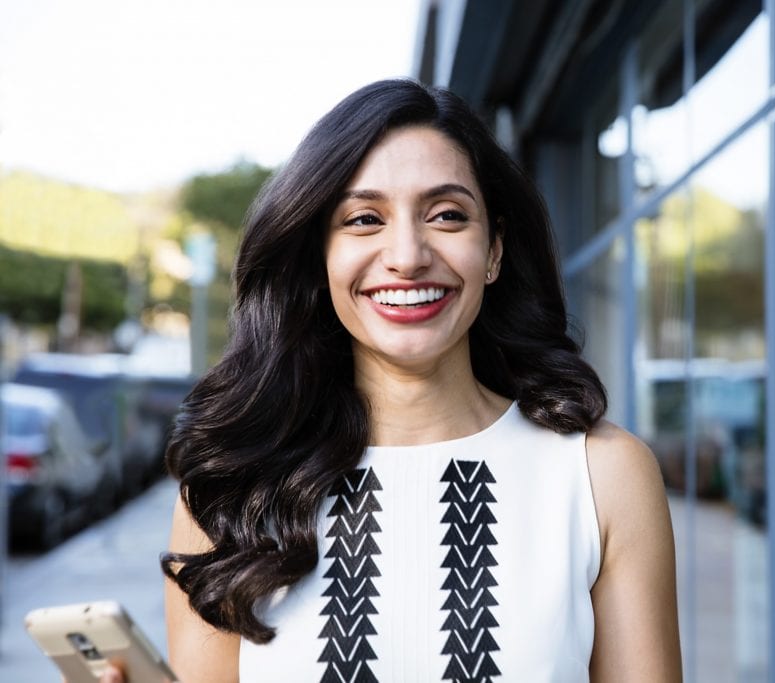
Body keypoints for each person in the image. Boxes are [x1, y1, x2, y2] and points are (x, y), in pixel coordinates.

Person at [158, 79, 681, 682]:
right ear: (318, 255)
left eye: (447, 215)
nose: (407, 255)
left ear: (493, 251)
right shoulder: (232, 490)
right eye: (363, 219)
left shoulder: (601, 476)